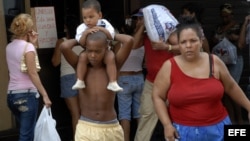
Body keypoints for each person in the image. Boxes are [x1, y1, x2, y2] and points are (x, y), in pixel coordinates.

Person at [152, 16, 250, 141]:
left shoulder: (214, 61)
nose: (188, 46)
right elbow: (157, 96)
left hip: (219, 129)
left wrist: (248, 106)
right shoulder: (169, 67)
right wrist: (166, 125)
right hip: (182, 132)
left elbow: (231, 87)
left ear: (201, 40)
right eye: (183, 42)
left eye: (193, 41)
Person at [60, 31, 133, 141]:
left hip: (110, 127)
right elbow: (64, 46)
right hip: (86, 126)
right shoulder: (80, 67)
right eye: (89, 51)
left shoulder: (113, 67)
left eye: (97, 51)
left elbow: (129, 41)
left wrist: (109, 34)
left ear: (106, 49)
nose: (93, 55)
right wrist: (81, 38)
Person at [133, 8, 179, 141]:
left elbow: (186, 49)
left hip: (172, 82)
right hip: (151, 82)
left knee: (174, 116)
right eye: (138, 18)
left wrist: (167, 47)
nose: (138, 21)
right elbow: (134, 45)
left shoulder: (169, 33)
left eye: (141, 18)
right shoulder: (146, 34)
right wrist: (141, 26)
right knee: (146, 115)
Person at [5, 13, 52, 141]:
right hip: (27, 95)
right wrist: (45, 94)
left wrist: (32, 44)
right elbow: (32, 72)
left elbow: (22, 64)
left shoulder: (9, 47)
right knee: (26, 135)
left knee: (26, 131)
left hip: (11, 95)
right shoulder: (28, 47)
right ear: (29, 30)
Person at [72, 0, 123, 92]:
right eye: (85, 17)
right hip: (88, 51)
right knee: (82, 57)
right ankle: (80, 80)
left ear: (99, 15)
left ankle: (112, 82)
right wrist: (85, 33)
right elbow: (81, 43)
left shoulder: (104, 23)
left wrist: (101, 29)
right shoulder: (82, 27)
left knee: (111, 57)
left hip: (105, 50)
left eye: (91, 17)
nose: (88, 20)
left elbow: (111, 36)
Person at [211, 3, 245, 124]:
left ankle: (240, 119)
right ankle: (231, 119)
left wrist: (232, 36)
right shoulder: (219, 27)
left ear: (232, 15)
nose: (225, 19)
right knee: (225, 91)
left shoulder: (240, 26)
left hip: (235, 60)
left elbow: (242, 42)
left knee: (233, 89)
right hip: (222, 61)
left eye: (227, 16)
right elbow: (214, 39)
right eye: (223, 16)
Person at [115, 14, 145, 141]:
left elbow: (116, 63)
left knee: (124, 115)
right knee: (139, 114)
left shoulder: (119, 44)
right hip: (139, 77)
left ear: (122, 30)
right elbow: (145, 62)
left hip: (124, 79)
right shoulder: (142, 41)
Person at [51, 15, 82, 138]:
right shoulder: (84, 42)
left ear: (66, 28)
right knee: (85, 113)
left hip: (67, 78)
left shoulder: (62, 42)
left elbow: (55, 62)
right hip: (82, 77)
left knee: (75, 114)